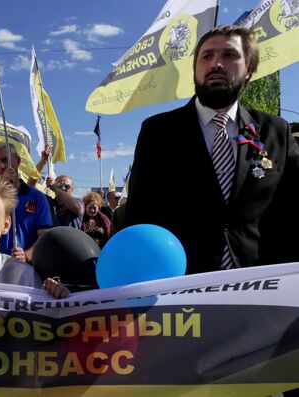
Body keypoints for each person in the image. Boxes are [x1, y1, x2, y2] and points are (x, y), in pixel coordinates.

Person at [124, 24, 299, 274]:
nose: (216, 64)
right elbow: (139, 215)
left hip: (262, 288)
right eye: (207, 56)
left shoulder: (275, 131)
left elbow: (292, 210)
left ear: (249, 68)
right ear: (195, 69)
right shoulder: (158, 132)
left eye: (229, 55)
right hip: (182, 288)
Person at [0, 142, 52, 263]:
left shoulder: (37, 198)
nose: (1, 166)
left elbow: (45, 236)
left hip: (25, 269)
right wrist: (3, 188)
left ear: (17, 161)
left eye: (5, 160)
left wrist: (27, 255)